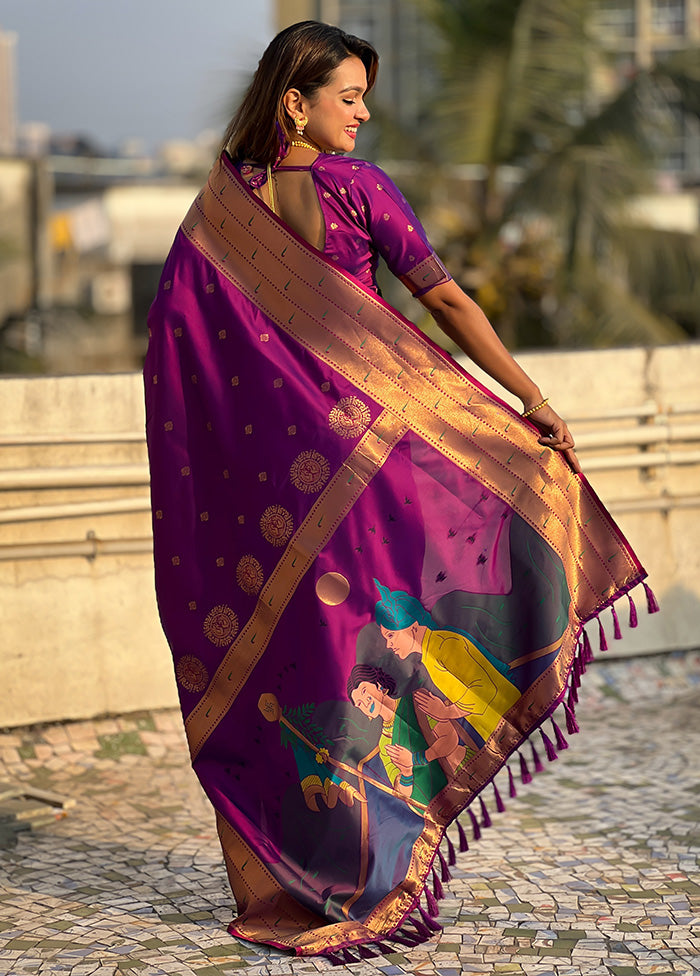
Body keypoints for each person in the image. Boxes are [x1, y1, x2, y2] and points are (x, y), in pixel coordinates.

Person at [144, 20, 653, 961]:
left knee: (305, 667)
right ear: (296, 102)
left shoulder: (222, 212)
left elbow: (179, 350)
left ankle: (307, 881)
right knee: (374, 658)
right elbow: (445, 303)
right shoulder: (357, 191)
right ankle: (370, 877)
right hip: (367, 477)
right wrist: (527, 397)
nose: (366, 112)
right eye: (349, 96)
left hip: (271, 500)